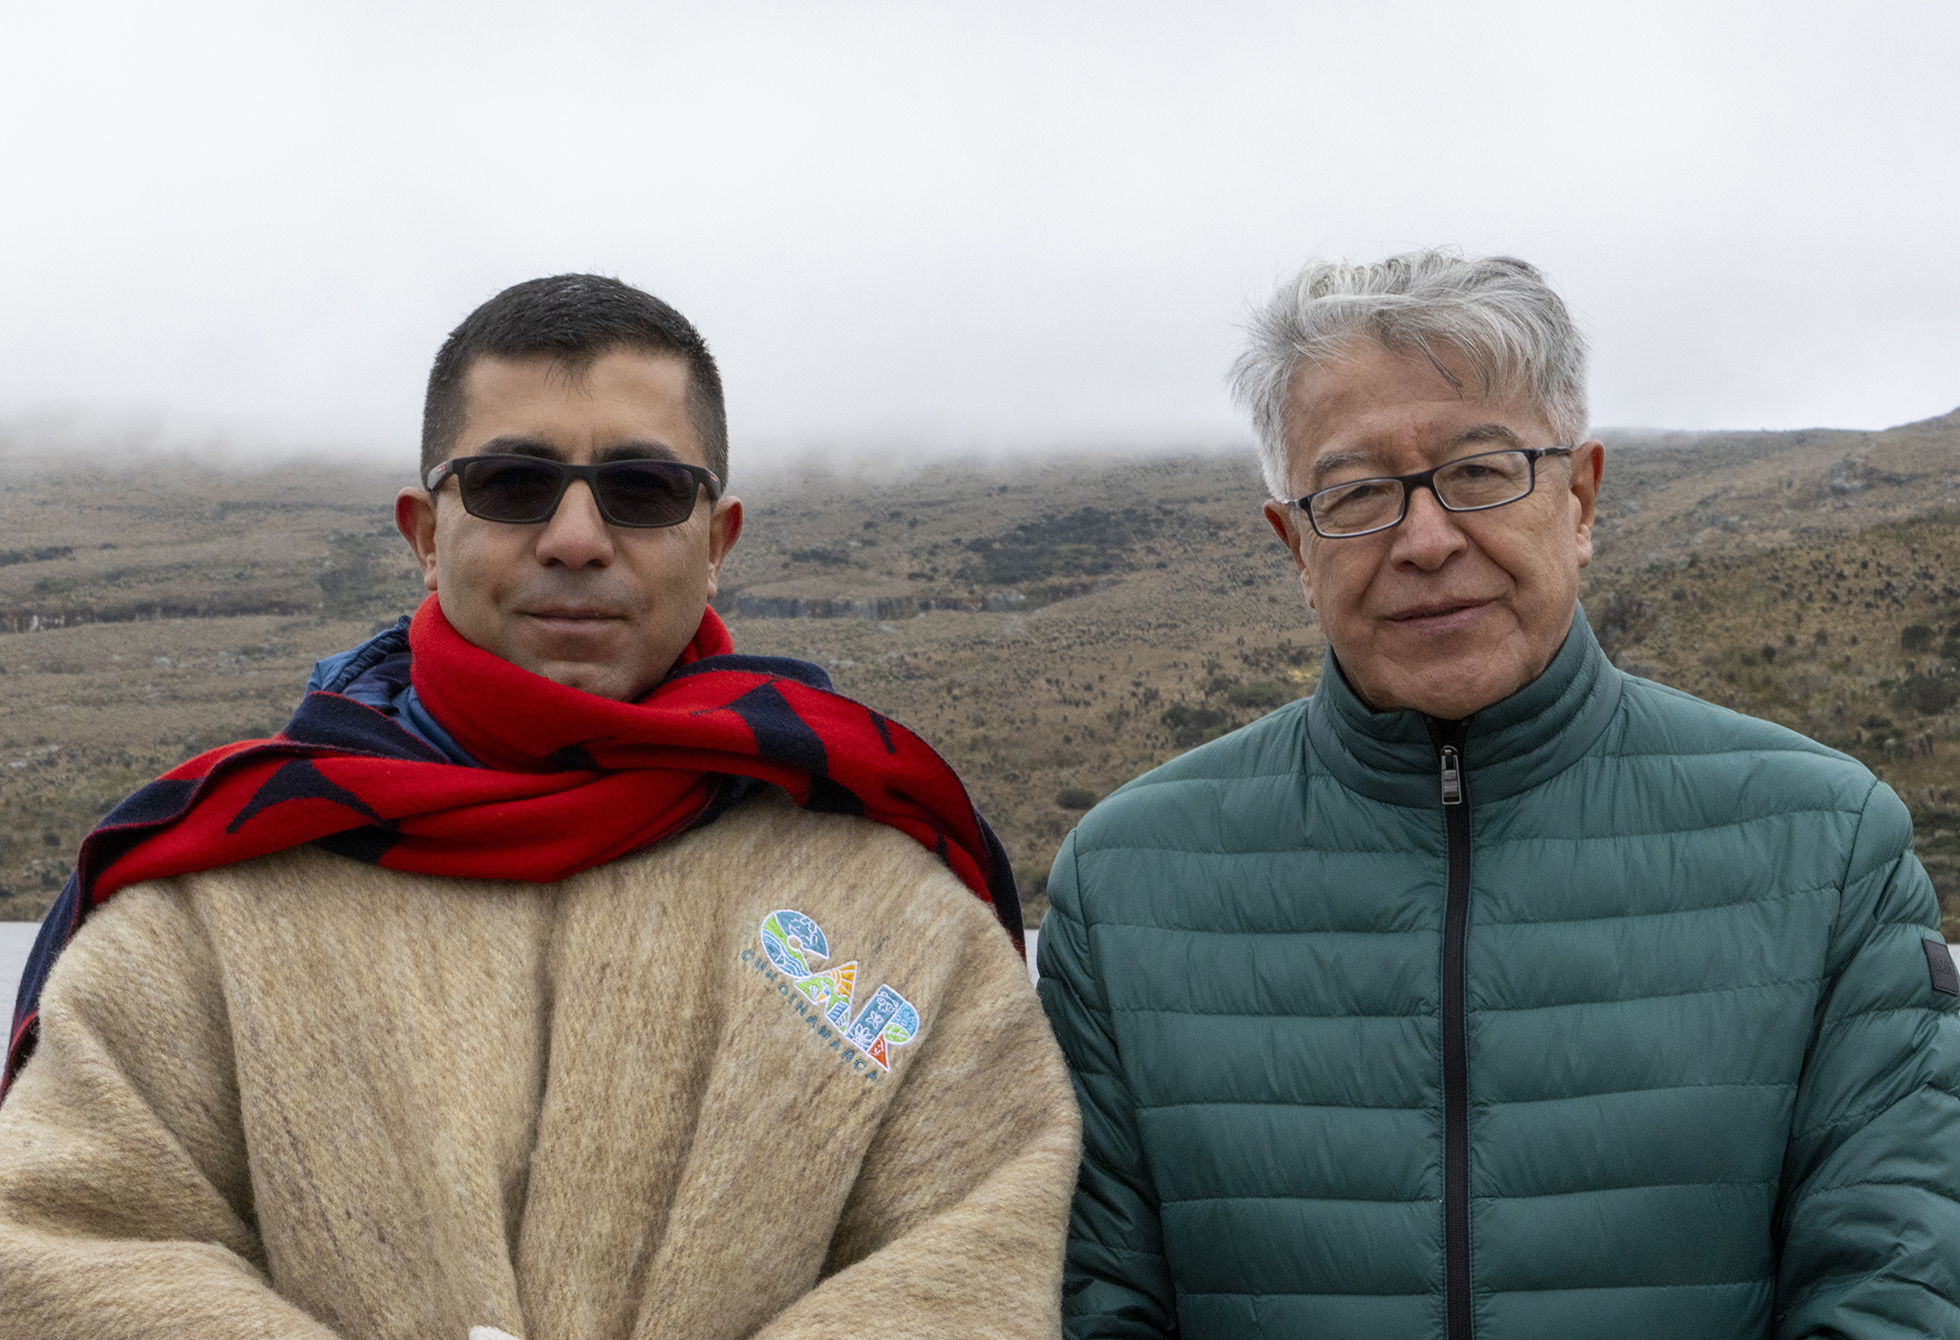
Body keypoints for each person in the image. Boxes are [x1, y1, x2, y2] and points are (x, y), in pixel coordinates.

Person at [1, 275, 1079, 1340]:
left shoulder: (896, 905)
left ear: (719, 536)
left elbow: (971, 1258)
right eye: (513, 484)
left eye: (644, 490)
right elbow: (62, 1243)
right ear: (425, 530)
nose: (574, 536)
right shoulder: (205, 901)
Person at [1038, 250, 1960, 1339]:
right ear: (1293, 544)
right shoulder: (1121, 884)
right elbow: (1092, 1301)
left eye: (1481, 471)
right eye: (1356, 493)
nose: (1424, 540)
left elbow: (1896, 1287)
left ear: (1580, 495)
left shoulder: (1829, 844)